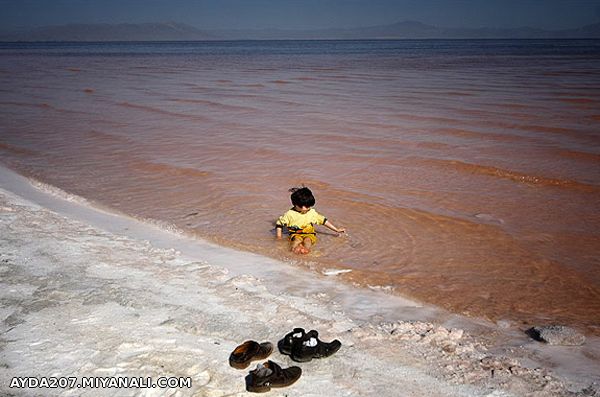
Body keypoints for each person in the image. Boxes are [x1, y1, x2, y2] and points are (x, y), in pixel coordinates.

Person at [275, 187, 345, 254]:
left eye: (309, 206)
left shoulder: (311, 213)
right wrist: (279, 237)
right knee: (296, 240)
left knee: (307, 240)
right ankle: (293, 250)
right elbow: (279, 224)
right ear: (295, 204)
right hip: (295, 234)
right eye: (306, 206)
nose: (307, 208)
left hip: (309, 233)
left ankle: (306, 249)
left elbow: (324, 221)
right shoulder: (289, 214)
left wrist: (336, 230)